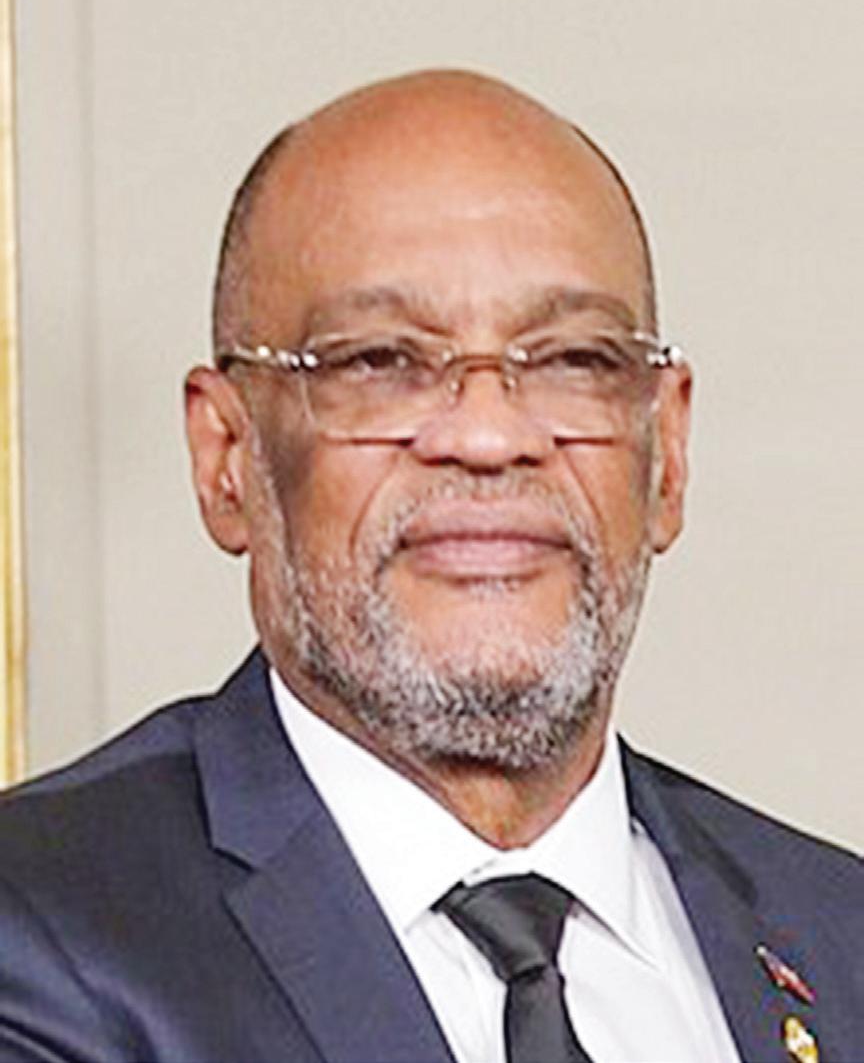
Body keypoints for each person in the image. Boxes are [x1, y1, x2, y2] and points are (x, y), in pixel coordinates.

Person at [0, 69, 860, 1063]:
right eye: (380, 362)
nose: (490, 437)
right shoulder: (40, 932)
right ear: (227, 455)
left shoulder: (839, 937)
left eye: (573, 359)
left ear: (665, 451)